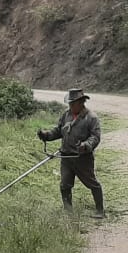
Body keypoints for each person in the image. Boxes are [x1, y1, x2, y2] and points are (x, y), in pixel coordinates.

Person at [38, 88, 104, 218]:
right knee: (65, 184)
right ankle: (68, 211)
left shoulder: (91, 118)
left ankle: (100, 211)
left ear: (81, 102)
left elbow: (95, 137)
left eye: (73, 103)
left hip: (82, 158)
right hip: (66, 157)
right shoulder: (66, 115)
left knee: (92, 183)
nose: (71, 106)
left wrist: (85, 146)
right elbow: (58, 131)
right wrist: (46, 135)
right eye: (70, 103)